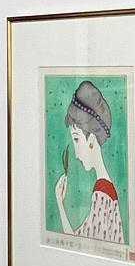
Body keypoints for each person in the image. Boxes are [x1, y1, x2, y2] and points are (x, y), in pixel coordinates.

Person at [53, 80, 124, 244]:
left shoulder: (102, 194)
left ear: (91, 139)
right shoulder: (105, 190)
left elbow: (76, 244)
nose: (76, 153)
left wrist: (59, 202)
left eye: (77, 140)